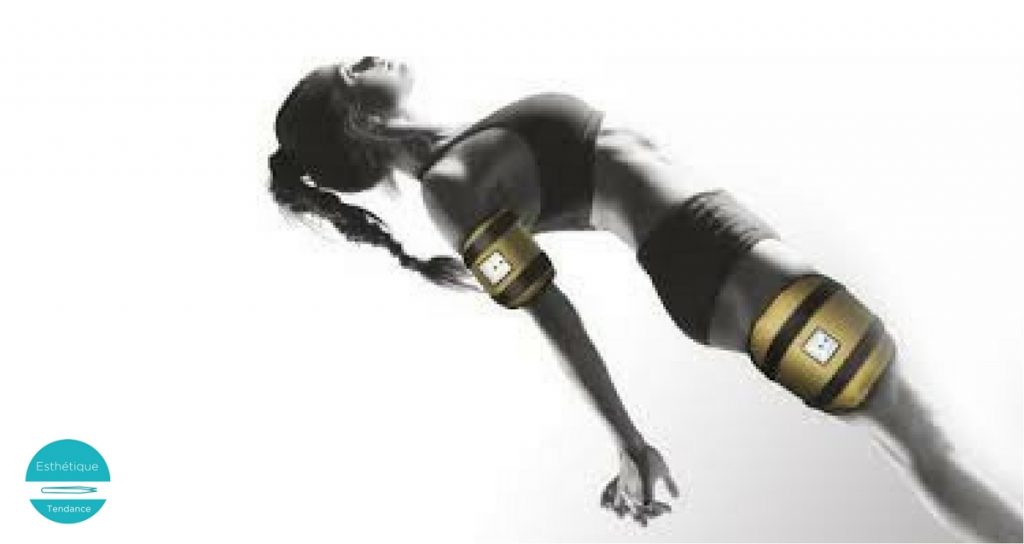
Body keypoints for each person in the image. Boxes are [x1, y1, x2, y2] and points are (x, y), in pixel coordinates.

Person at [266, 56, 1022, 540]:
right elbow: (551, 315)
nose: (371, 56)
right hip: (724, 264)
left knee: (917, 443)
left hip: (722, 268)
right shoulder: (450, 188)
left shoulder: (462, 149)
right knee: (928, 444)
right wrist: (627, 440)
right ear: (356, 118)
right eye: (351, 70)